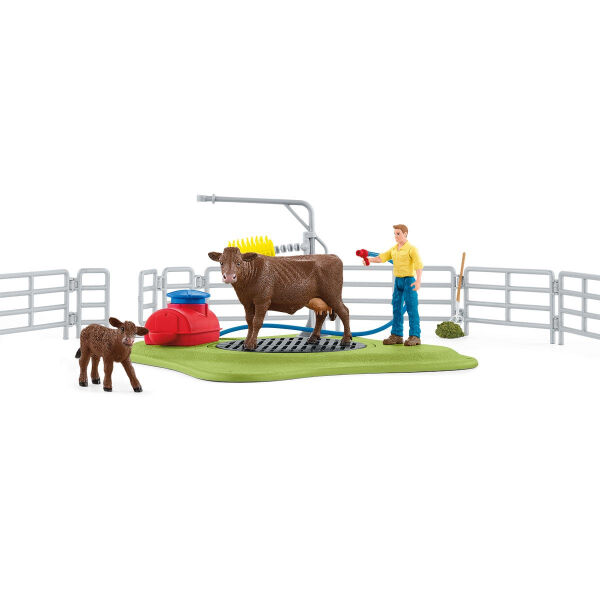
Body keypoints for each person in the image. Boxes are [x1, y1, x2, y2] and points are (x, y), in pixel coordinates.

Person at [364, 224, 423, 346]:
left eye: (398, 234)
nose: (396, 236)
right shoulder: (394, 249)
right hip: (398, 281)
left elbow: (418, 264)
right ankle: (396, 334)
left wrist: (418, 281)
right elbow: (382, 258)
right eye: (395, 234)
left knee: (412, 308)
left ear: (405, 234)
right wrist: (369, 260)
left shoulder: (411, 249)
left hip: (409, 280)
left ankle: (415, 335)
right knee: (396, 307)